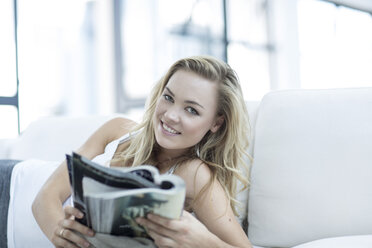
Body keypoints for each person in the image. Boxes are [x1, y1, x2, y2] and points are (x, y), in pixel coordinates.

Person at [32, 55, 252, 248]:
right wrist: (62, 235)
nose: (170, 116)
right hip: (14, 183)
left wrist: (202, 241)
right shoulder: (117, 129)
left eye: (191, 110)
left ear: (216, 122)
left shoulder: (195, 174)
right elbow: (44, 198)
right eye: (168, 97)